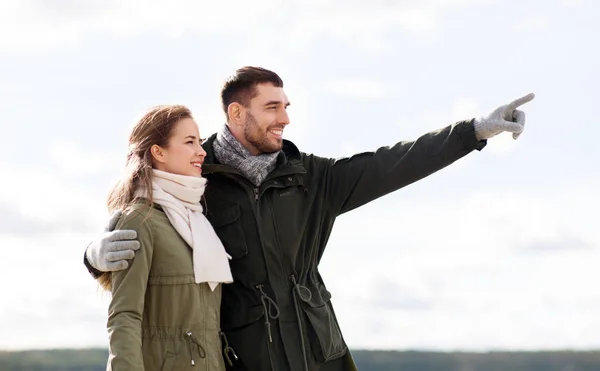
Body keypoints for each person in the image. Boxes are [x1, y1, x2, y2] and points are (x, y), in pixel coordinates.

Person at [84, 67, 535, 371]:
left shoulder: (313, 178)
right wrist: (94, 254)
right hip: (243, 356)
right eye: (273, 108)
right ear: (236, 113)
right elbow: (143, 208)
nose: (285, 119)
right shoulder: (198, 180)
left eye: (286, 107)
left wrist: (474, 130)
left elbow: (394, 163)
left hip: (318, 350)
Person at [97, 105, 234, 371]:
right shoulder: (139, 221)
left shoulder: (197, 220)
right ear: (158, 151)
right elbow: (124, 317)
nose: (201, 151)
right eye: (189, 142)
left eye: (200, 141)